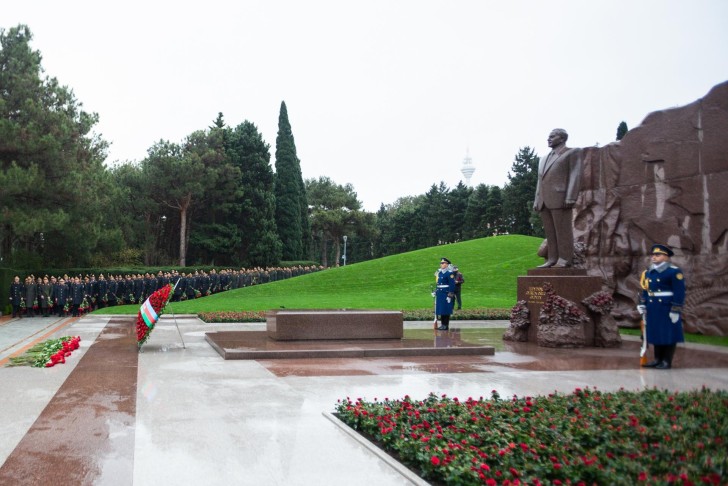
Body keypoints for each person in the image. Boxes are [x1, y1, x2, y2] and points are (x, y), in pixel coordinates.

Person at [533, 128, 582, 268]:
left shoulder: (572, 152)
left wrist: (571, 196)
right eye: (548, 136)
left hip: (560, 198)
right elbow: (540, 181)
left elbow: (575, 175)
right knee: (550, 233)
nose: (548, 139)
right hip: (544, 200)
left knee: (563, 231)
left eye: (552, 136)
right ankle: (552, 259)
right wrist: (537, 199)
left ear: (562, 138)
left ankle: (565, 259)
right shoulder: (543, 159)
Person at [637, 244, 686, 370]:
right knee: (656, 333)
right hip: (653, 307)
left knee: (668, 334)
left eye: (657, 255)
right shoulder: (649, 272)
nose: (654, 257)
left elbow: (679, 292)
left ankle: (666, 361)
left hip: (666, 307)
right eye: (653, 255)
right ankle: (657, 359)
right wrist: (642, 304)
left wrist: (676, 309)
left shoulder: (673, 271)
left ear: (666, 257)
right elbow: (646, 290)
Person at [434, 257, 456, 331]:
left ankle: (445, 325)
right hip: (440, 294)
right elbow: (438, 284)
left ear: (447, 264)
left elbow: (452, 284)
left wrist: (450, 295)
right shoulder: (440, 273)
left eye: (443, 263)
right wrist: (435, 291)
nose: (441, 264)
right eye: (441, 263)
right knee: (441, 310)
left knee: (446, 310)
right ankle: (442, 325)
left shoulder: (449, 273)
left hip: (446, 294)